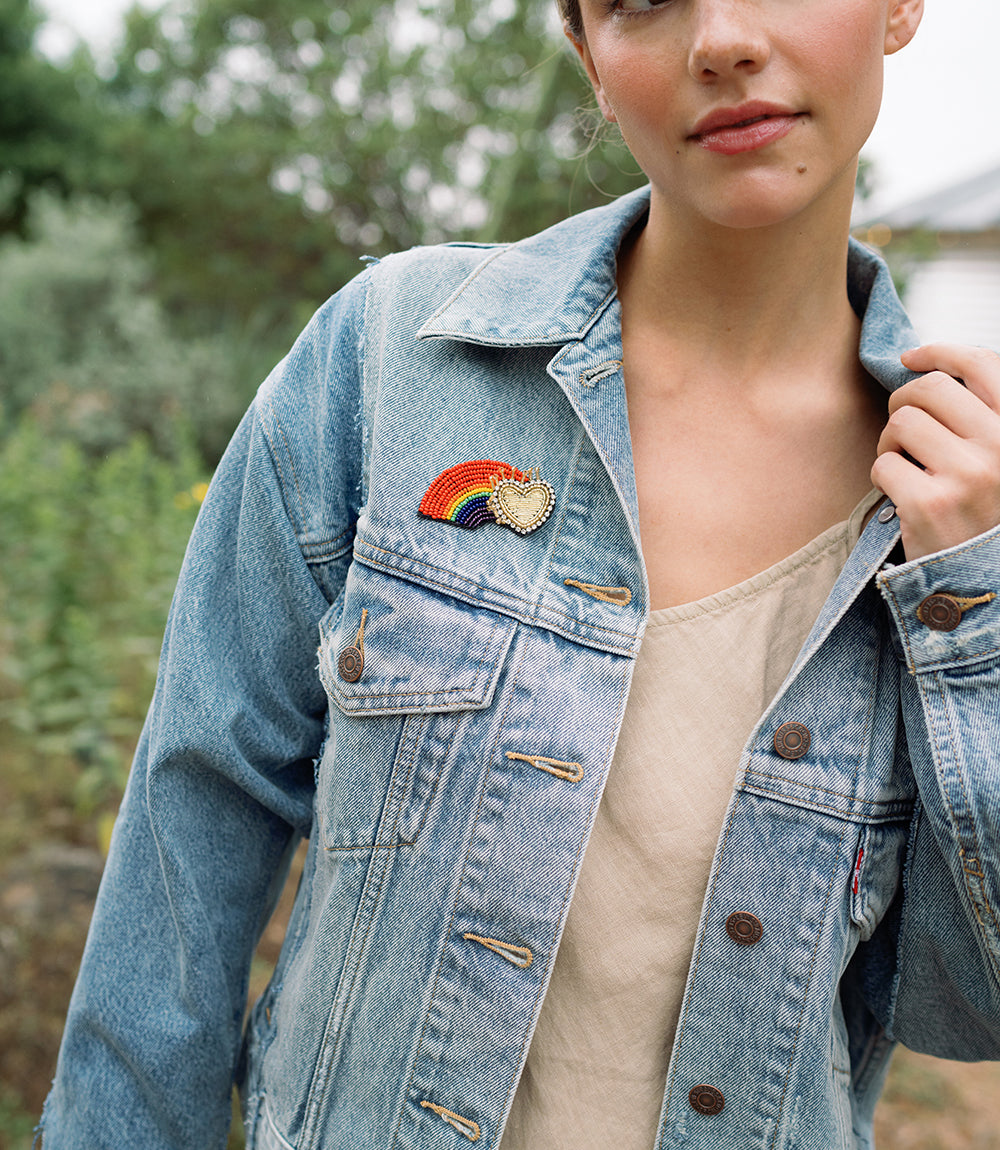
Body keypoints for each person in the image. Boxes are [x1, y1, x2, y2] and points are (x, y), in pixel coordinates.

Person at [39, 0, 1000, 1147]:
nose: (723, 40)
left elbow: (965, 1009)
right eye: (641, 0)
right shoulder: (391, 359)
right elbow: (191, 827)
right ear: (588, 55)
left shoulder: (958, 513)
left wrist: (971, 619)